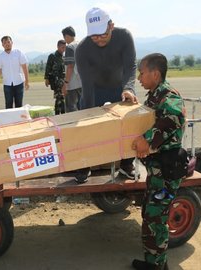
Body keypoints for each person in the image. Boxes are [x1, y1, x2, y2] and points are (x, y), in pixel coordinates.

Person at [131, 53, 186, 270]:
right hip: (157, 169)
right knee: (150, 214)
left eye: (142, 73)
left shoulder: (168, 95)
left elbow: (173, 118)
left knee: (156, 218)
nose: (138, 78)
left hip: (166, 170)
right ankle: (154, 263)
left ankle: (158, 266)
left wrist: (147, 140)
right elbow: (152, 118)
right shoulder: (154, 95)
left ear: (155, 74)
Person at [74, 7, 138, 183]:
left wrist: (129, 89)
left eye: (102, 34)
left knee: (130, 123)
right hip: (94, 89)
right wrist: (88, 112)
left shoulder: (124, 37)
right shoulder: (82, 49)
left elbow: (130, 67)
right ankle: (83, 165)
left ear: (111, 26)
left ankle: (126, 165)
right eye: (94, 36)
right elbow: (86, 84)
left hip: (121, 87)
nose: (99, 39)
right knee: (86, 126)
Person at [0, 36, 30, 109]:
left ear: (12, 43)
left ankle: (19, 120)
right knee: (8, 105)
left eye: (8, 42)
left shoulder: (18, 53)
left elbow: (24, 67)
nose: (7, 44)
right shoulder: (0, 57)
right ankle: (9, 120)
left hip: (19, 83)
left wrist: (27, 81)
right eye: (5, 43)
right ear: (2, 45)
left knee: (19, 105)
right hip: (7, 85)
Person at [61, 26, 83, 113]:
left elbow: (70, 67)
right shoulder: (82, 44)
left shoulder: (70, 47)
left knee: (71, 109)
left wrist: (65, 83)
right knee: (82, 108)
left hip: (72, 84)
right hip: (82, 82)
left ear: (66, 36)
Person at [44, 39, 66, 115]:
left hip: (62, 81)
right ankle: (58, 114)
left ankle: (62, 114)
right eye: (62, 47)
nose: (64, 49)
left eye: (64, 47)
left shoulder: (63, 57)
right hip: (55, 81)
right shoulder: (52, 56)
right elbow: (48, 67)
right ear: (58, 47)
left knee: (61, 98)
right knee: (59, 98)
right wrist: (46, 79)